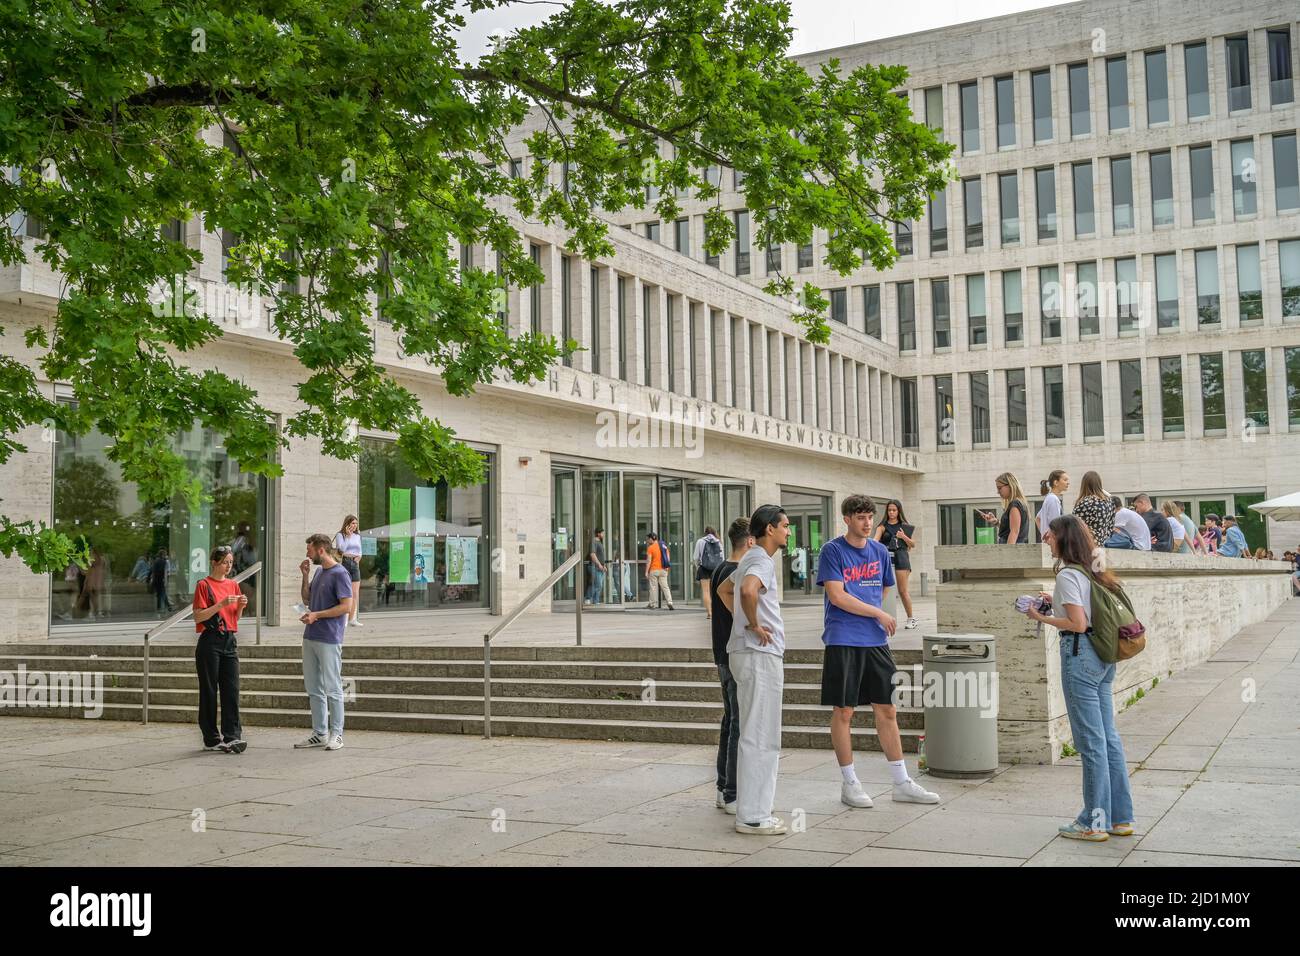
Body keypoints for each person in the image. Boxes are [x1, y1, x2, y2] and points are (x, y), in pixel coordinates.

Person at [822, 495, 939, 809]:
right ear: (846, 519)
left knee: (888, 710)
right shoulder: (832, 550)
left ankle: (901, 782)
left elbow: (884, 588)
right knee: (844, 711)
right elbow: (837, 596)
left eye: (869, 517)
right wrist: (875, 613)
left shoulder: (879, 551)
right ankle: (850, 784)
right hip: (843, 638)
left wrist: (875, 611)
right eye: (860, 517)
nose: (867, 522)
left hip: (875, 641)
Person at [1025, 515, 1135, 842]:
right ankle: (1120, 818)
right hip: (1103, 658)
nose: (1046, 538)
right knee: (1108, 737)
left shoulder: (1069, 575)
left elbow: (1076, 622)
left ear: (1064, 539)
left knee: (1090, 743)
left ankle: (1092, 822)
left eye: (1051, 534)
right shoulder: (1094, 571)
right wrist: (1053, 598)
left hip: (1080, 656)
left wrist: (1039, 616)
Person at [715, 505, 789, 836]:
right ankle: (754, 816)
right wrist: (755, 625)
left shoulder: (748, 557)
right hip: (759, 654)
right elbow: (744, 591)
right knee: (762, 736)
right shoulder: (761, 560)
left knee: (751, 732)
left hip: (744, 653)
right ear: (770, 529)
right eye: (785, 526)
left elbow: (724, 590)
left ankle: (750, 808)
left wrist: (743, 623)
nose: (789, 531)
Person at [708, 517, 752, 816]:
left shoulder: (719, 570)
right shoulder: (736, 574)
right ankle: (733, 792)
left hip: (721, 656)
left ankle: (724, 787)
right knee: (737, 722)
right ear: (749, 542)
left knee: (729, 721)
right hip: (732, 655)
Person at [295, 534, 353, 751]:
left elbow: (346, 606)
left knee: (333, 686)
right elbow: (307, 600)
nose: (307, 554)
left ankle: (337, 734)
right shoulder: (319, 571)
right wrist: (304, 575)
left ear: (321, 550)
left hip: (329, 637)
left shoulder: (340, 573)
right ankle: (319, 733)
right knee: (313, 687)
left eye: (309, 549)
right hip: (310, 636)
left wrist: (317, 615)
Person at [192, 545, 249, 754]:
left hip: (229, 640)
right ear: (215, 563)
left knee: (231, 689)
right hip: (210, 641)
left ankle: (233, 736)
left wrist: (241, 605)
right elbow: (198, 616)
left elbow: (235, 618)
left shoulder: (234, 585)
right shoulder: (204, 585)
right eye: (225, 562)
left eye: (231, 562)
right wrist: (220, 604)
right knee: (209, 691)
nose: (228, 566)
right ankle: (211, 738)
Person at [873, 499, 918, 630]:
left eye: (894, 510)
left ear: (898, 511)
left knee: (903, 591)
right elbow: (875, 541)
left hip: (901, 558)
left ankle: (911, 619)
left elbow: (912, 545)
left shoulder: (904, 526)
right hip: (886, 559)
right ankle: (878, 616)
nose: (891, 512)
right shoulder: (881, 526)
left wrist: (903, 536)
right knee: (882, 589)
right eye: (889, 510)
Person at [978, 472, 1030, 544]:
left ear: (1010, 485)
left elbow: (1014, 532)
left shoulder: (1015, 504)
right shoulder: (1020, 503)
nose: (998, 492)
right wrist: (996, 522)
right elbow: (1010, 530)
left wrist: (1007, 552)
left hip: (1011, 547)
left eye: (999, 488)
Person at [1071, 471, 1115, 547]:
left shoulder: (1085, 503)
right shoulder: (1110, 501)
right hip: (1101, 545)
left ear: (1084, 485)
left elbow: (1074, 527)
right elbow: (1111, 527)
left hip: (1085, 546)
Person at [334, 515, 363, 626]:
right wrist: (348, 537)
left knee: (355, 593)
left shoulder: (357, 536)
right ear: (347, 524)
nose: (354, 526)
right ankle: (343, 619)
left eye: (356, 523)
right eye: (352, 523)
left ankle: (352, 619)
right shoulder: (340, 535)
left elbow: (359, 550)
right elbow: (341, 550)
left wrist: (359, 557)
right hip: (344, 563)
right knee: (344, 592)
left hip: (355, 564)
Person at [693, 527, 723, 619]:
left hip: (704, 568)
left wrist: (698, 566)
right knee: (716, 591)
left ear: (705, 533)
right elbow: (722, 557)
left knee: (706, 591)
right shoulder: (718, 541)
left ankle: (710, 612)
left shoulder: (700, 541)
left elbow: (695, 557)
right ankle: (717, 611)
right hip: (716, 569)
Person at [644, 532, 675, 610]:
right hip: (663, 569)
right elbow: (668, 556)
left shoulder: (650, 548)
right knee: (665, 587)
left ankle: (652, 604)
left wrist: (646, 571)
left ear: (651, 539)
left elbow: (649, 561)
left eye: (648, 539)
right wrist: (667, 567)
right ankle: (670, 602)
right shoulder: (663, 545)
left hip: (654, 570)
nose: (647, 541)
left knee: (653, 587)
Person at [1038, 470, 1069, 539]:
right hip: (1054, 542)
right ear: (1056, 483)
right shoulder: (1053, 499)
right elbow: (1056, 525)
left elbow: (1037, 519)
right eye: (1065, 480)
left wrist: (1044, 535)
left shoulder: (1049, 498)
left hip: (1050, 542)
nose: (1068, 483)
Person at [585, 528, 607, 606]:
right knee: (597, 584)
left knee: (597, 584)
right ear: (598, 534)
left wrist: (603, 566)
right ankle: (588, 598)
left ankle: (596, 601)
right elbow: (592, 554)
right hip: (594, 566)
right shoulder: (594, 542)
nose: (603, 535)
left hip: (600, 567)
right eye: (602, 533)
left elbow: (600, 556)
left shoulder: (599, 542)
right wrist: (599, 565)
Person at [149, 548, 173, 614]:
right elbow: (164, 572)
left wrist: (149, 578)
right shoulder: (163, 562)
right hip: (161, 580)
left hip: (156, 580)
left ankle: (162, 607)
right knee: (162, 594)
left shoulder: (156, 561)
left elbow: (151, 570)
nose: (166, 555)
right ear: (163, 554)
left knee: (160, 594)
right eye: (165, 554)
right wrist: (165, 579)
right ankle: (167, 607)